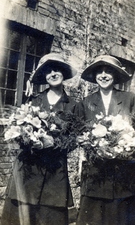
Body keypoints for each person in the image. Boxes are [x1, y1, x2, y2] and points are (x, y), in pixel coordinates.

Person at [1, 53, 77, 225]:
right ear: (45, 77)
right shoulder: (33, 101)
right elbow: (18, 128)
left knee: (50, 218)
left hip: (54, 173)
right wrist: (27, 139)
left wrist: (54, 143)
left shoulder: (73, 105)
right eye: (48, 71)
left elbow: (73, 139)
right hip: (28, 169)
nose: (53, 74)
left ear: (64, 73)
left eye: (57, 69)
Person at [75, 55, 135, 225]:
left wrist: (125, 146)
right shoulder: (86, 103)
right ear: (94, 76)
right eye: (99, 71)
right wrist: (92, 145)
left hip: (124, 172)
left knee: (122, 217)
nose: (103, 75)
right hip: (97, 173)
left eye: (108, 71)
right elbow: (78, 134)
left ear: (115, 75)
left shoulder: (130, 99)